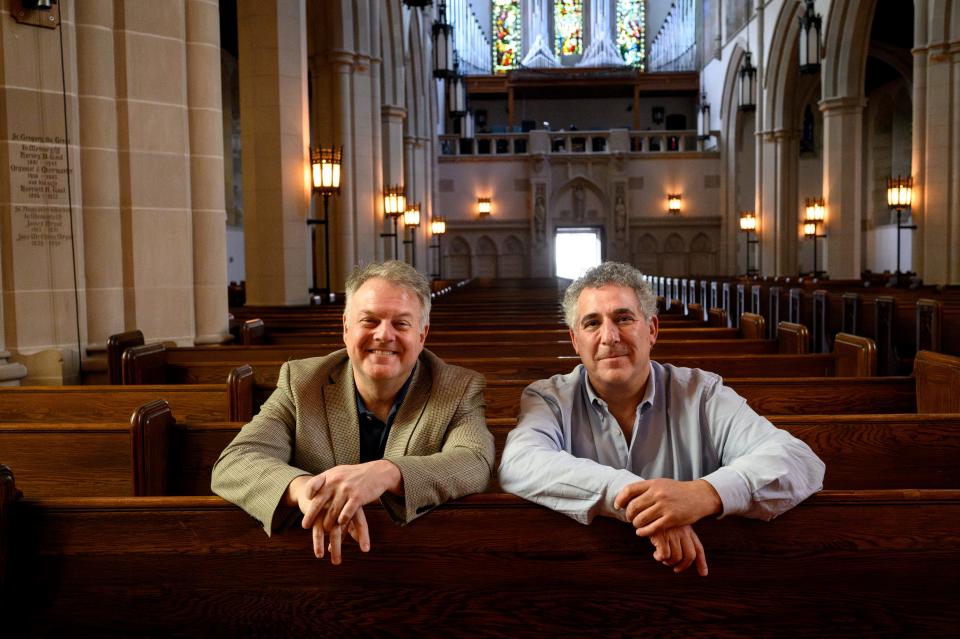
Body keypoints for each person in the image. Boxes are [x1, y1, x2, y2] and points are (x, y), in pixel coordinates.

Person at [498, 262, 825, 576]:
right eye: (592, 323)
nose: (609, 336)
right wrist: (630, 495)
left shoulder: (702, 393)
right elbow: (519, 463)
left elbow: (801, 462)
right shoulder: (549, 398)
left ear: (652, 329)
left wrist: (704, 494)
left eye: (623, 318)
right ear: (575, 340)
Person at [212, 261, 495, 564]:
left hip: (419, 563)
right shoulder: (303, 382)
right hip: (309, 568)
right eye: (369, 321)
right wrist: (307, 490)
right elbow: (235, 462)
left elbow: (475, 462)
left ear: (422, 335)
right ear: (347, 329)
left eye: (401, 323)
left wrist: (387, 473)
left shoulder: (457, 387)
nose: (384, 335)